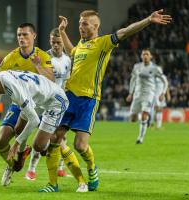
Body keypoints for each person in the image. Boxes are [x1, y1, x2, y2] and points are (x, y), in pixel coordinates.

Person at [39, 9, 172, 192]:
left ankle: (92, 169)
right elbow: (74, 52)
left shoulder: (103, 43)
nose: (80, 26)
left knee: (80, 145)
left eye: (84, 23)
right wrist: (62, 31)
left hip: (88, 99)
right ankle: (52, 184)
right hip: (69, 96)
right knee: (55, 137)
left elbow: (125, 31)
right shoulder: (81, 45)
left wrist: (148, 20)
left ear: (96, 26)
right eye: (79, 23)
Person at [0, 23, 54, 186]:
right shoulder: (9, 59)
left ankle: (50, 170)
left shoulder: (42, 57)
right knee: (0, 140)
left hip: (41, 105)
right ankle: (12, 165)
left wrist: (37, 66)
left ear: (33, 36)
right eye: (19, 35)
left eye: (25, 35)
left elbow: (52, 81)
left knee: (43, 146)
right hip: (19, 104)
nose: (21, 38)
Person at [0, 70, 68, 188]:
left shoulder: (14, 90)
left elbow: (34, 120)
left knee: (38, 146)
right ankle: (23, 154)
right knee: (18, 129)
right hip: (37, 98)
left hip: (55, 100)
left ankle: (52, 142)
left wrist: (16, 143)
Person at [25, 28, 72, 180]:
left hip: (59, 102)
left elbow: (66, 81)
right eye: (53, 42)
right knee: (43, 140)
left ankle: (60, 168)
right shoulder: (44, 57)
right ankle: (31, 169)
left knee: (61, 136)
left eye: (59, 42)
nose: (56, 45)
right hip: (43, 100)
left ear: (63, 43)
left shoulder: (67, 60)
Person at [126, 49, 168, 144]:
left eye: (147, 54)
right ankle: (143, 118)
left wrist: (163, 93)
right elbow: (132, 79)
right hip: (137, 94)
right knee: (133, 118)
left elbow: (165, 81)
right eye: (143, 54)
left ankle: (140, 138)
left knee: (144, 115)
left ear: (151, 56)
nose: (145, 56)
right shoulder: (136, 67)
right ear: (141, 56)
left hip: (149, 94)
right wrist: (130, 93)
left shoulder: (155, 68)